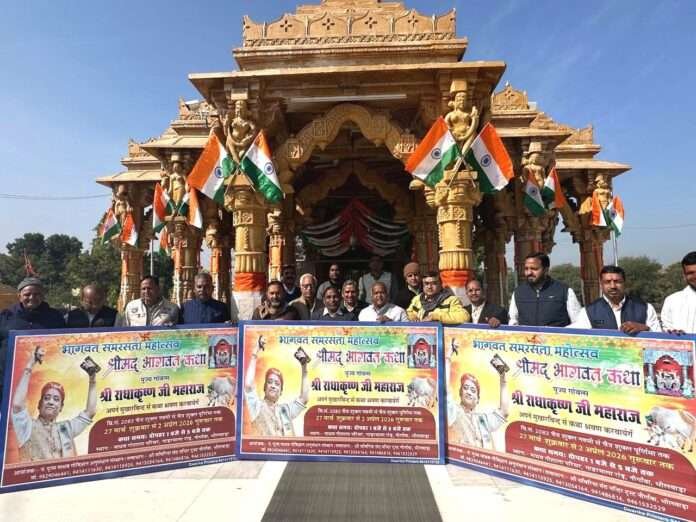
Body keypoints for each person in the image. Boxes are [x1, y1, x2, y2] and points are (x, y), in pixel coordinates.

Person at [11, 346, 97, 461]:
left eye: (56, 399)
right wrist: (30, 366)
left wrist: (92, 379)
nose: (51, 402)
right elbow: (17, 405)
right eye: (47, 398)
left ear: (61, 407)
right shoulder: (27, 426)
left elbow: (90, 411)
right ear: (39, 404)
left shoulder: (66, 428)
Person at [0, 278, 65, 403]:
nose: (32, 297)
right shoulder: (6, 316)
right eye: (27, 294)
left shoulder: (55, 317)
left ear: (43, 296)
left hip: (40, 376)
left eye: (37, 294)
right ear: (19, 296)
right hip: (7, 377)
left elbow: (62, 344)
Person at [446, 343, 509, 450]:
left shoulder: (482, 419)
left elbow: (504, 412)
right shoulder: (453, 411)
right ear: (460, 392)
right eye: (465, 388)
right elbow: (445, 389)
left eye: (473, 390)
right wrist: (448, 357)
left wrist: (503, 378)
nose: (469, 392)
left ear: (478, 399)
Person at [243, 339, 309, 436]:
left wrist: (304, 366)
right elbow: (248, 385)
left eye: (277, 384)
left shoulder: (285, 410)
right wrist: (254, 354)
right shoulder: (256, 405)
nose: (273, 386)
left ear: (281, 391)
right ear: (264, 387)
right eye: (270, 382)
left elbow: (304, 398)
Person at [571, 265, 661, 333]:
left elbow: (660, 338)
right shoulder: (588, 312)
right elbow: (574, 336)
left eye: (617, 281)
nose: (613, 286)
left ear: (625, 283)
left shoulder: (645, 308)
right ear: (601, 285)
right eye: (607, 282)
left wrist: (645, 328)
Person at [508, 252, 581, 327]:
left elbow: (578, 322)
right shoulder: (518, 292)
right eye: (526, 269)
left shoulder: (564, 291)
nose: (529, 272)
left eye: (534, 269)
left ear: (546, 270)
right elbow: (513, 321)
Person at [661, 251, 696, 333]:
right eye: (691, 273)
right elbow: (665, 332)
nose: (695, 276)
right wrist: (671, 334)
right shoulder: (672, 301)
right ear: (684, 275)